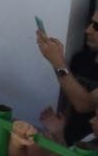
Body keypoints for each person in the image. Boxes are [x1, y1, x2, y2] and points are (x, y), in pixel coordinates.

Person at [37, 14, 98, 145]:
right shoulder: (82, 59)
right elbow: (70, 94)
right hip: (69, 140)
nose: (88, 30)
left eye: (96, 26)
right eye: (90, 23)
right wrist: (60, 128)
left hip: (88, 150)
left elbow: (85, 105)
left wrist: (57, 61)